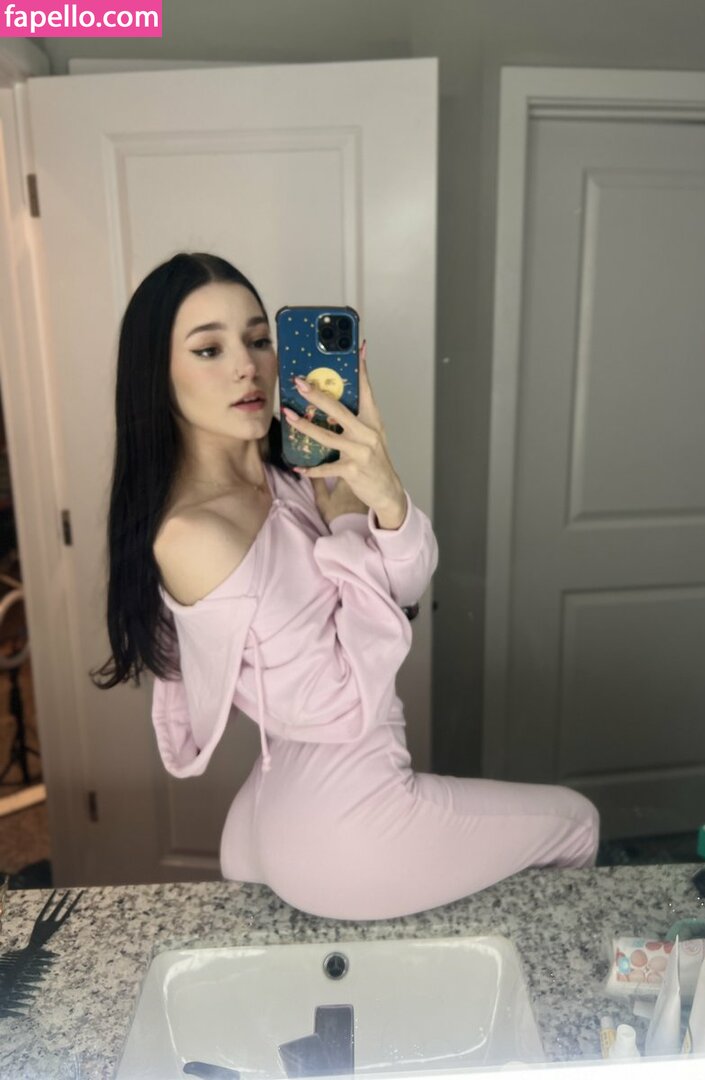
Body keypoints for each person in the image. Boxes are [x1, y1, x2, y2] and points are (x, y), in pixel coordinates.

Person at [91, 252, 599, 920]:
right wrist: (349, 526)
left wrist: (384, 496)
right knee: (577, 822)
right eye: (209, 349)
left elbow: (408, 582)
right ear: (156, 376)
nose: (247, 366)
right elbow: (339, 701)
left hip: (281, 807)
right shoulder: (194, 535)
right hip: (342, 825)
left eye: (258, 339)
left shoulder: (288, 470)